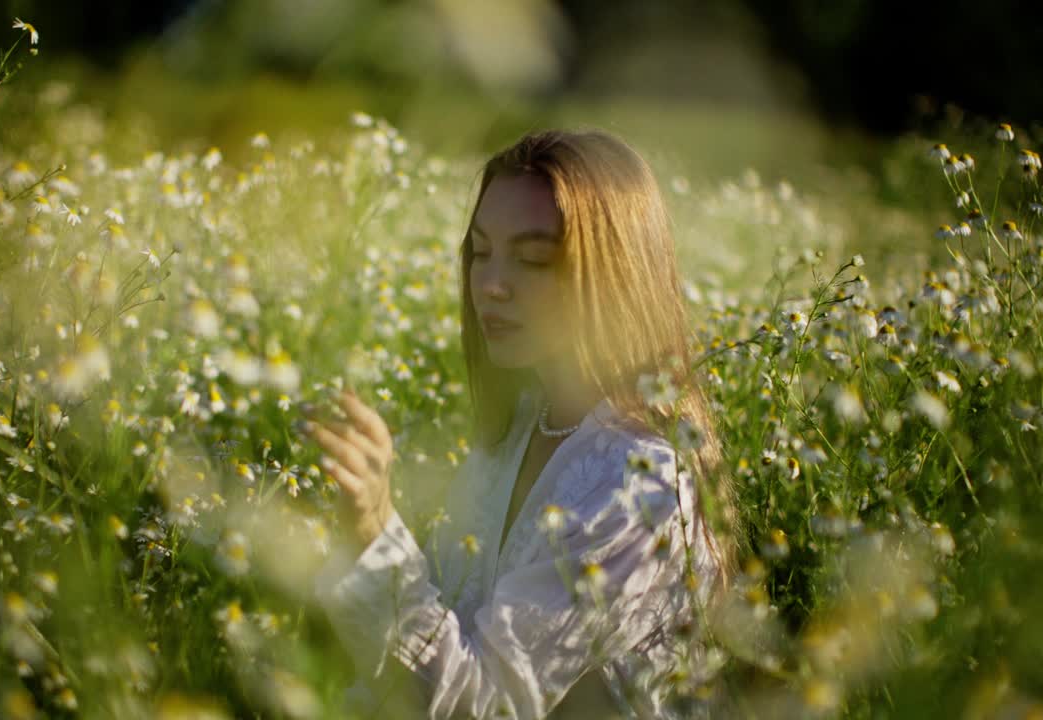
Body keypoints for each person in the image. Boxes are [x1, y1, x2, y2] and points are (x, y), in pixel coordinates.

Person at [303, 128, 741, 719]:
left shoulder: (641, 487)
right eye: (481, 252)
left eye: (533, 258)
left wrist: (378, 532)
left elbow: (488, 704)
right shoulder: (513, 433)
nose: (489, 285)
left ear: (614, 278)